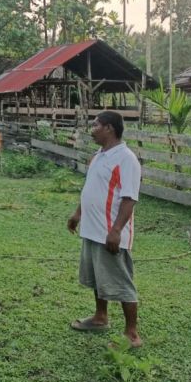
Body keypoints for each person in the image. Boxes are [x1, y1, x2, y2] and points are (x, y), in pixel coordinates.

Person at [67, 110, 143, 348]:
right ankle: (101, 317)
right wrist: (78, 214)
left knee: (121, 282)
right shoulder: (100, 155)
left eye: (96, 125)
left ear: (109, 128)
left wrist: (116, 230)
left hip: (110, 232)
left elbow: (129, 198)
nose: (92, 129)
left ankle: (132, 334)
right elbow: (91, 187)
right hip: (91, 229)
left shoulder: (126, 159)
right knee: (98, 279)